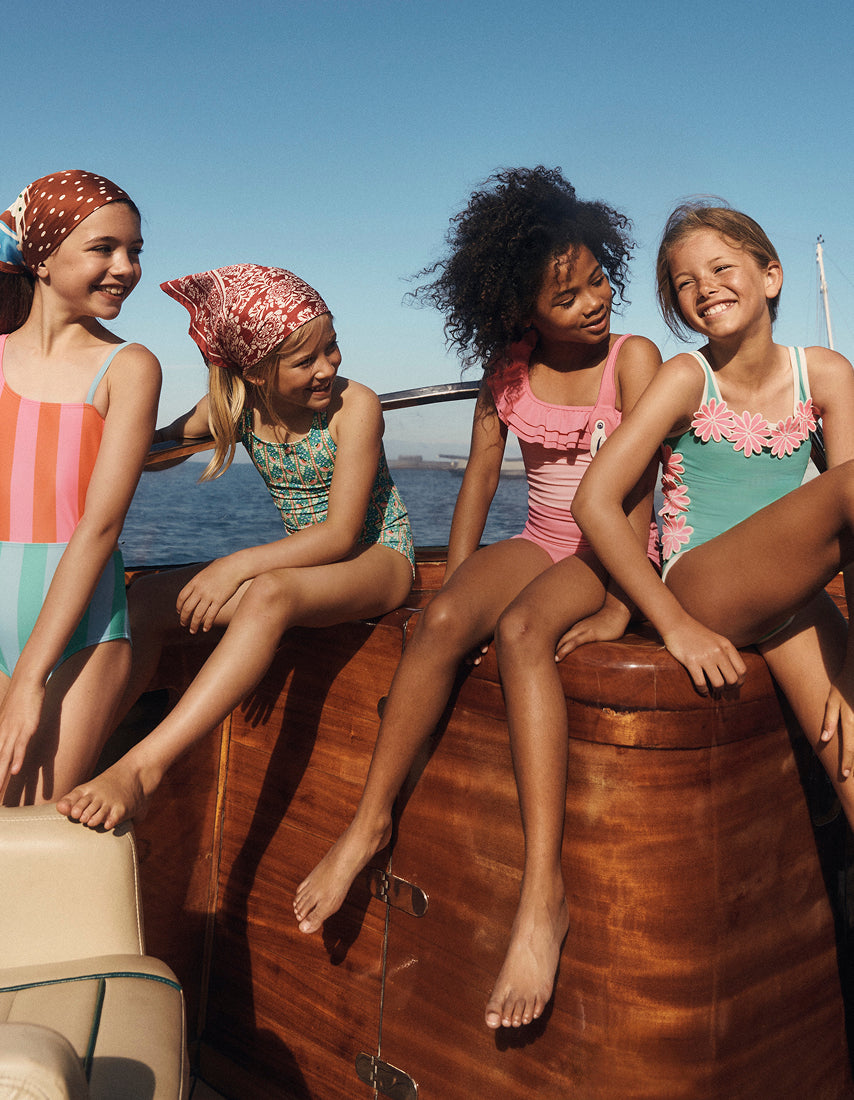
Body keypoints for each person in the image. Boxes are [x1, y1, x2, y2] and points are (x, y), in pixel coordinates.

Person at [294, 167, 661, 1030]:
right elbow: (480, 484)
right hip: (539, 540)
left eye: (598, 280)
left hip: (610, 550)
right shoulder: (508, 371)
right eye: (565, 296)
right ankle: (368, 824)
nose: (593, 303)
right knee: (449, 620)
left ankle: (544, 896)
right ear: (517, 311)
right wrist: (452, 582)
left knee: (527, 629)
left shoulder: (633, 359)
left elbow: (641, 489)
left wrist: (619, 604)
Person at [56, 264, 414, 829]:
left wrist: (235, 564)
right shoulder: (235, 408)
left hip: (378, 559)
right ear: (256, 373)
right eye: (306, 360)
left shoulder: (355, 406)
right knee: (148, 601)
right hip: (310, 565)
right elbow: (150, 448)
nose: (328, 368)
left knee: (268, 592)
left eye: (333, 347)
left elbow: (342, 534)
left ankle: (144, 768)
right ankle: (78, 761)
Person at [572, 200, 854, 830]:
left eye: (722, 268)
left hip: (789, 596)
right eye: (685, 284)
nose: (706, 288)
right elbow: (593, 501)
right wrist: (671, 624)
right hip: (703, 586)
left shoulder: (827, 374)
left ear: (771, 276)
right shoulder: (685, 378)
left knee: (852, 760)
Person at [0, 169, 160, 805]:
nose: (126, 266)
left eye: (135, 251)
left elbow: (98, 528)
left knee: (25, 837)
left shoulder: (130, 367)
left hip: (80, 637)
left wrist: (29, 679)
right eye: (104, 248)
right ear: (41, 256)